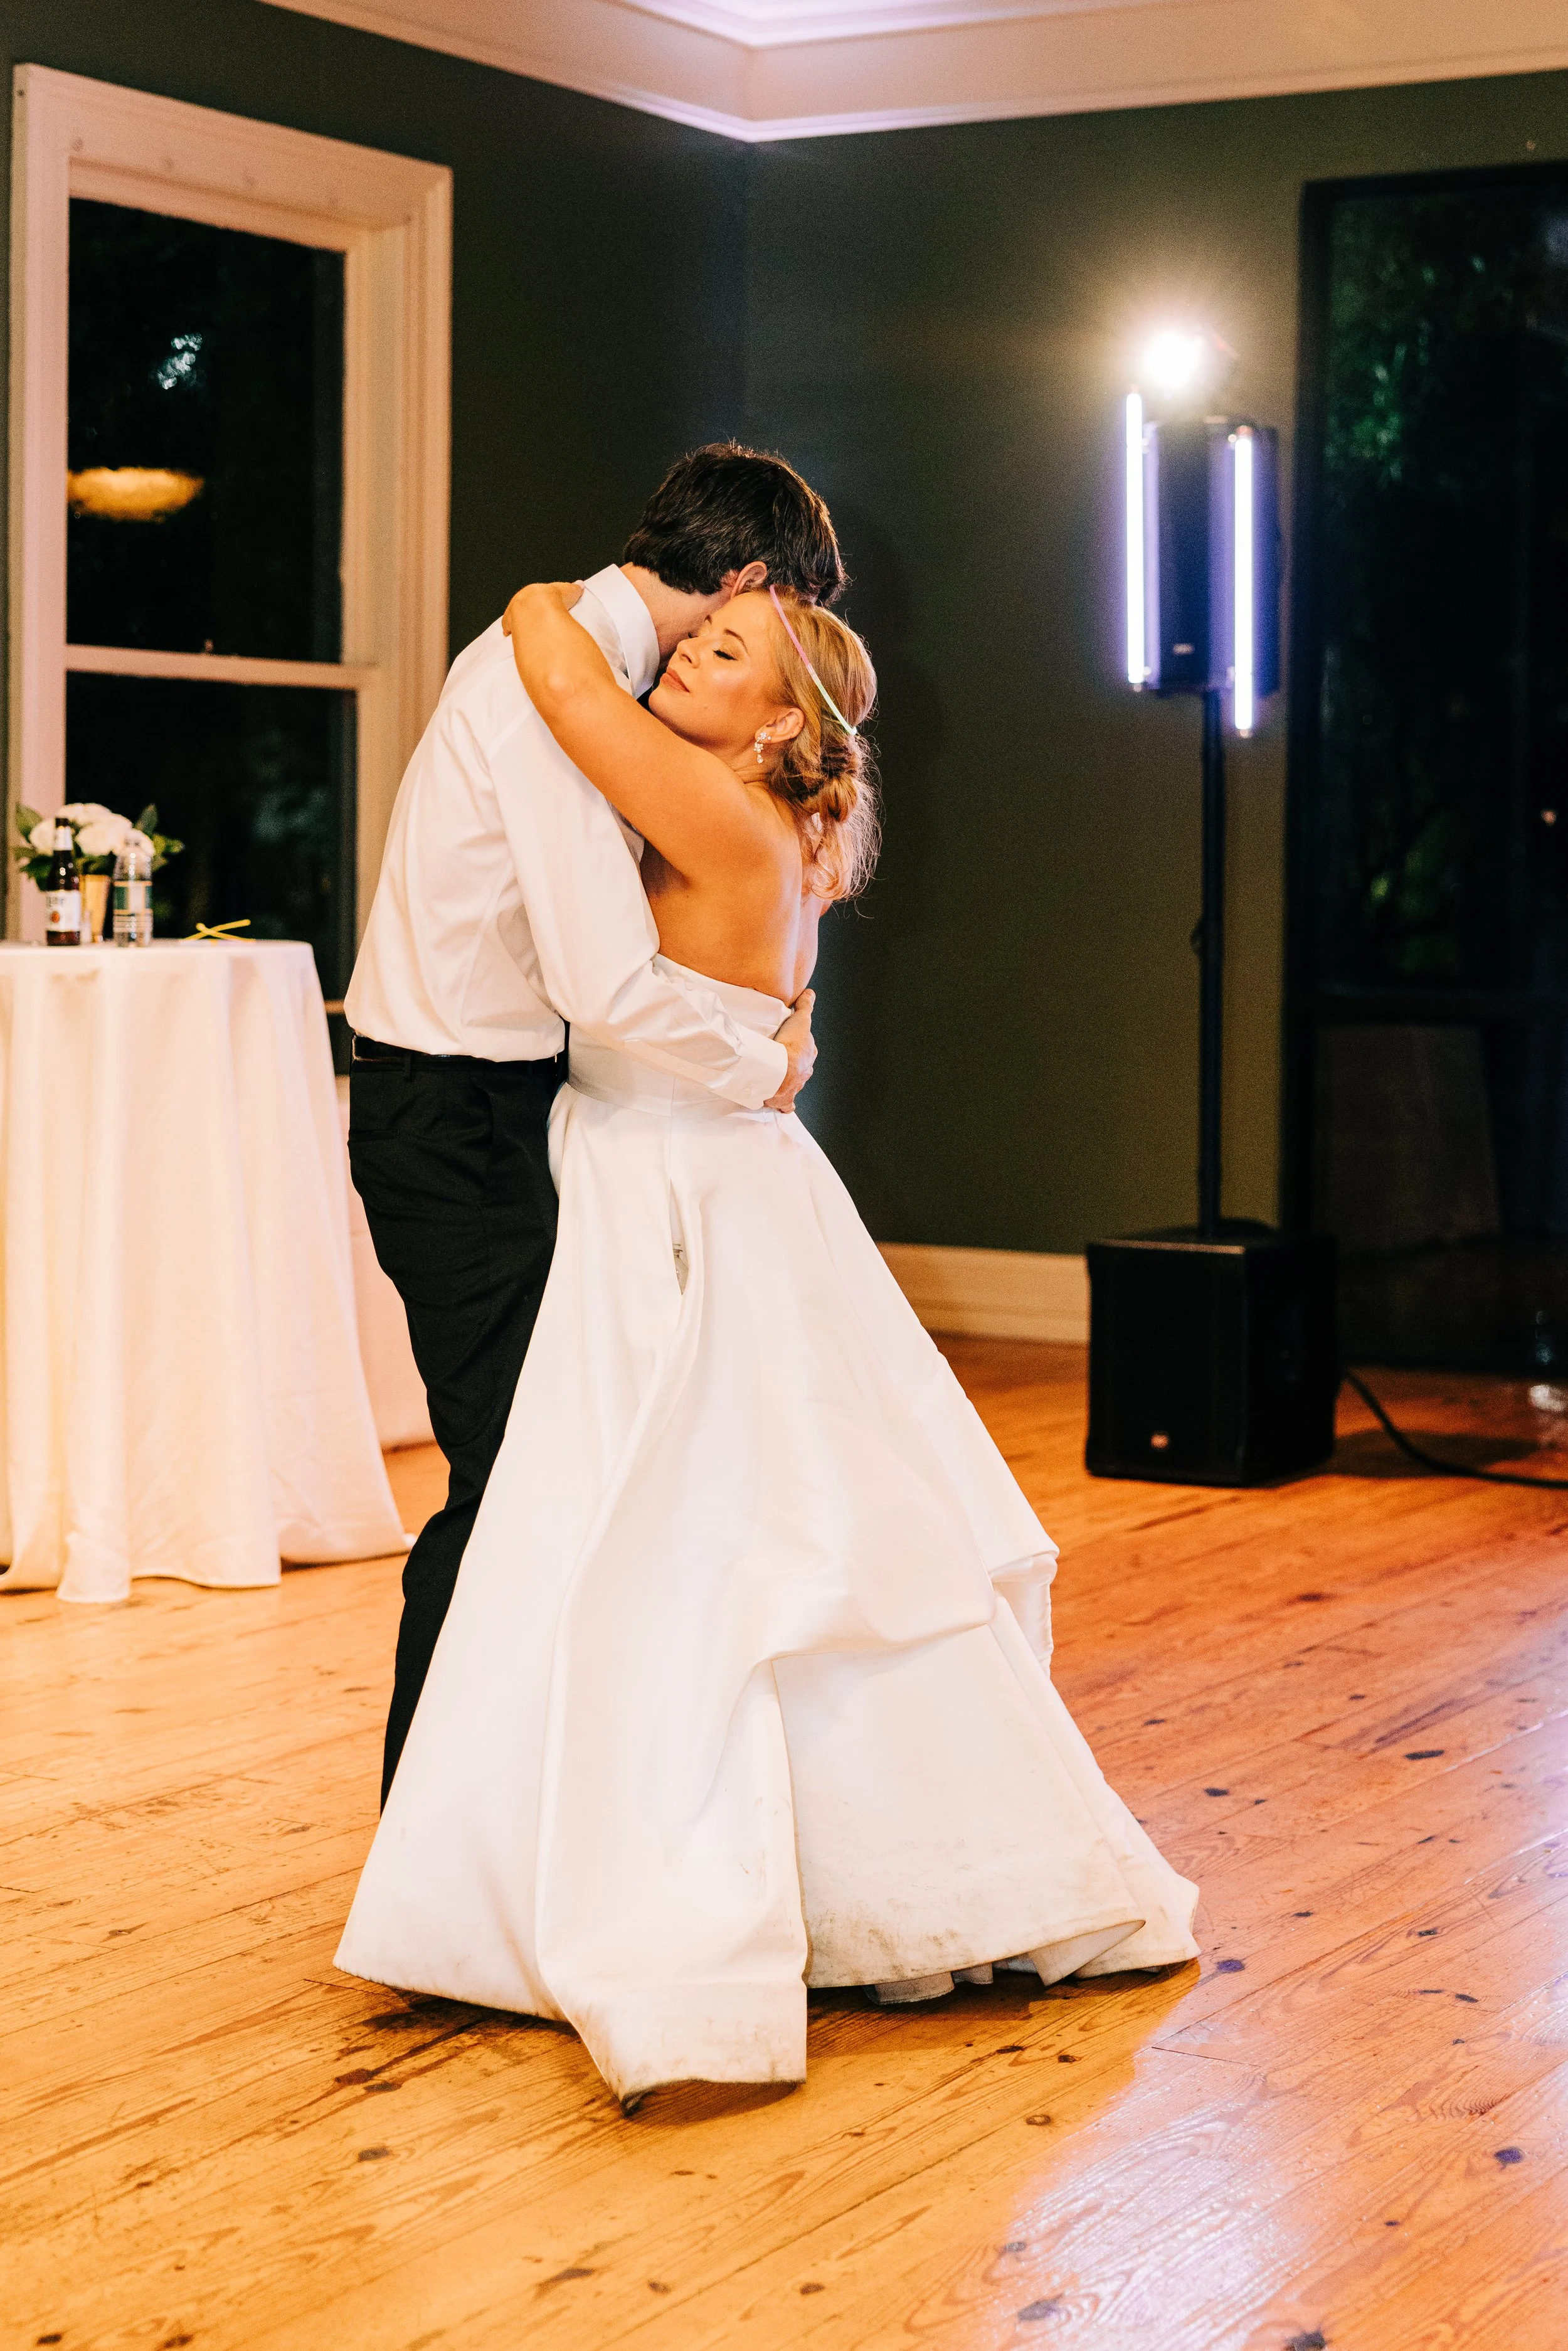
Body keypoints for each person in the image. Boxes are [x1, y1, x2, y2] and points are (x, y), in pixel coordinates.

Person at [338, 573, 1201, 2103]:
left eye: (719, 651)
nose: (681, 658)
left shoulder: (710, 811)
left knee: (661, 1541)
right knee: (715, 1527)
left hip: (660, 1190)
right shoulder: (779, 826)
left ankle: (614, 1862)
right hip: (699, 1175)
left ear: (782, 719)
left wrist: (567, 598)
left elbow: (558, 673)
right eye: (690, 638)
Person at [344, 445, 842, 1804]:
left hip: (515, 1109)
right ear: (742, 580)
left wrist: (767, 1024)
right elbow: (605, 981)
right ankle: (436, 1830)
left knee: (567, 1461)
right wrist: (758, 1060)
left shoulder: (579, 662)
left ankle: (547, 1812)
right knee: (510, 1470)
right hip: (451, 1117)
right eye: (774, 618)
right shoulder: (547, 678)